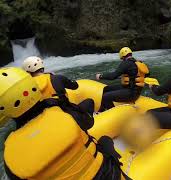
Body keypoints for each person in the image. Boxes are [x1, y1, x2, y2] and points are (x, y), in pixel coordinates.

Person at [0, 67, 130, 180]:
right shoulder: (64, 113)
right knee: (104, 140)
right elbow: (88, 122)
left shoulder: (9, 155)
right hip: (108, 175)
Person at [22, 56, 94, 115]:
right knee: (89, 102)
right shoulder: (57, 78)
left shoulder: (27, 88)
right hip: (65, 113)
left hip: (42, 117)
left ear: (28, 72)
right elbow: (75, 86)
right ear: (42, 67)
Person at [95, 47, 149, 111]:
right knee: (106, 89)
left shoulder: (126, 63)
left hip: (131, 93)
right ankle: (101, 110)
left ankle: (113, 113)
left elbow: (113, 76)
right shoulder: (138, 63)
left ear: (123, 56)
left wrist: (101, 76)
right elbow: (146, 74)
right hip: (134, 91)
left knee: (106, 96)